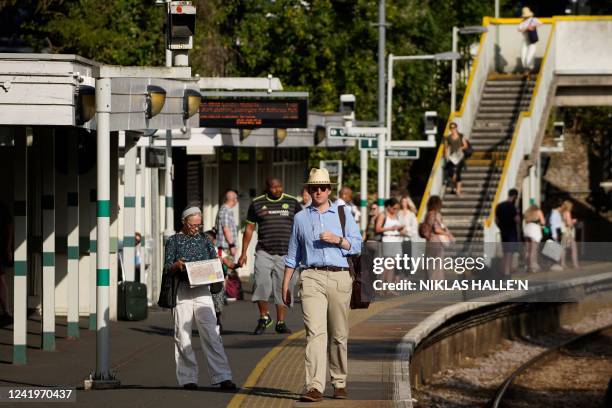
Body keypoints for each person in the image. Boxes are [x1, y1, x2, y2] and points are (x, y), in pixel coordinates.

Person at [282, 168, 362, 402]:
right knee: (315, 333)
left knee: (338, 334)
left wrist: (338, 240)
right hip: (311, 277)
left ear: (329, 190)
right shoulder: (300, 218)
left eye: (323, 187)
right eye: (314, 188)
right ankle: (314, 386)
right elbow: (292, 254)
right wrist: (285, 284)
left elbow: (358, 245)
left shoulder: (343, 213)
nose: (318, 191)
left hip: (339, 276)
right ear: (308, 190)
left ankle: (339, 382)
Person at [164, 206, 236, 390]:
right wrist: (177, 265)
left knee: (212, 333)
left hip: (203, 289)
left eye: (199, 224)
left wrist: (222, 263)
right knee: (182, 334)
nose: (196, 228)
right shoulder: (173, 240)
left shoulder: (205, 239)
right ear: (184, 222)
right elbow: (167, 268)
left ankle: (223, 376)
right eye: (193, 225)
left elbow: (214, 260)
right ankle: (188, 378)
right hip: (182, 290)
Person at [238, 178, 302, 335]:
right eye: (274, 187)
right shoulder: (257, 203)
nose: (277, 189)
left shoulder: (293, 202)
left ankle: (280, 322)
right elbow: (249, 229)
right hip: (264, 252)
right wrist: (243, 253)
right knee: (261, 283)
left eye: (279, 186)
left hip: (286, 254)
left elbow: (302, 226)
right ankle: (264, 317)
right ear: (267, 188)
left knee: (283, 288)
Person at [375, 198, 404, 294]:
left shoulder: (396, 216)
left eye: (397, 209)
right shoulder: (383, 215)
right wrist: (391, 228)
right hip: (387, 239)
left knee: (392, 265)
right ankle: (380, 286)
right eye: (394, 208)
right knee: (386, 265)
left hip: (396, 240)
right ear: (388, 207)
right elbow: (378, 229)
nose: (395, 210)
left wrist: (401, 229)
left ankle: (388, 287)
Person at [423, 196, 453, 280]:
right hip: (436, 240)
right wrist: (447, 233)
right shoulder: (437, 214)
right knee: (438, 262)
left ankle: (429, 282)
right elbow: (437, 229)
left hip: (429, 240)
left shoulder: (428, 214)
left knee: (430, 262)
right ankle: (435, 282)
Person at [495, 189, 520, 276]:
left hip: (503, 232)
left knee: (505, 252)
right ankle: (507, 273)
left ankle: (502, 271)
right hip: (511, 232)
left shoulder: (499, 206)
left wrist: (501, 227)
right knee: (509, 253)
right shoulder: (512, 207)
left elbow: (496, 220)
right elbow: (517, 220)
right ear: (515, 196)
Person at [444, 122, 469, 196]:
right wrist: (446, 156)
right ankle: (455, 187)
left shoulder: (461, 136)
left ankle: (458, 191)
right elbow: (446, 148)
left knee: (458, 173)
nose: (453, 129)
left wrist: (461, 148)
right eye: (451, 128)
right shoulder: (448, 138)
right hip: (452, 158)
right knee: (451, 175)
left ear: (456, 128)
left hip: (460, 157)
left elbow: (465, 145)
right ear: (450, 129)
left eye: (454, 127)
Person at [517, 7, 543, 75]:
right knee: (523, 54)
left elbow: (541, 23)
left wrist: (533, 26)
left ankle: (528, 69)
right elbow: (519, 29)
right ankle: (526, 68)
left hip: (532, 40)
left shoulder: (533, 20)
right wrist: (526, 28)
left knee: (530, 55)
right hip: (525, 40)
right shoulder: (522, 22)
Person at [215, 190, 239, 259]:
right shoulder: (226, 210)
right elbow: (226, 229)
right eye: (236, 198)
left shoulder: (226, 210)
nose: (237, 200)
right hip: (226, 248)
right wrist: (232, 246)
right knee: (227, 268)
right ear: (234, 199)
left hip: (226, 247)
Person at [523, 204, 545, 273]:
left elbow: (525, 221)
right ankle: (533, 266)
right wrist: (542, 226)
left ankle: (526, 266)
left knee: (527, 249)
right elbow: (543, 222)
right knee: (534, 250)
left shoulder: (527, 212)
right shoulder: (538, 211)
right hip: (534, 229)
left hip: (527, 229)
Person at [0, 203, 13, 322]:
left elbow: (9, 228)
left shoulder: (2, 208)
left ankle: (6, 310)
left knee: (1, 279)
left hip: (0, 249)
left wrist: (8, 249)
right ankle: (6, 310)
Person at [560, 200, 579, 270]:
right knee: (574, 249)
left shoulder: (562, 213)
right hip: (569, 232)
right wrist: (573, 221)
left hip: (564, 232)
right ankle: (576, 265)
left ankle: (563, 264)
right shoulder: (567, 212)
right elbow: (569, 224)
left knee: (563, 248)